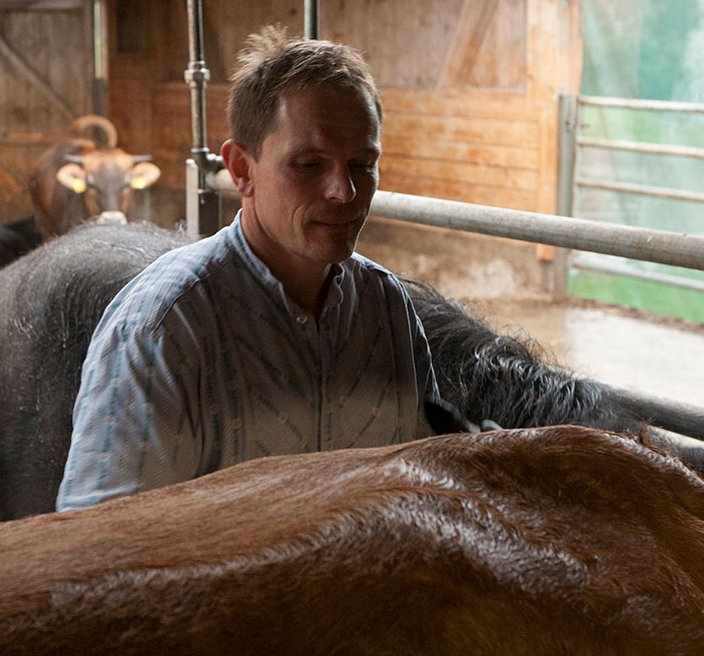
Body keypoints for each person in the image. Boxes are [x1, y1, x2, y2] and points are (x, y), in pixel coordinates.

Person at [56, 27, 439, 511]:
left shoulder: (387, 308)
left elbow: (422, 485)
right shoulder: (164, 328)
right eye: (309, 164)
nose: (344, 192)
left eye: (363, 164)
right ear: (241, 169)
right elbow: (105, 535)